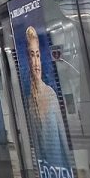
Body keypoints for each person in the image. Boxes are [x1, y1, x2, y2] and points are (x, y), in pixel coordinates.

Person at [21, 26, 67, 168]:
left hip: (60, 171)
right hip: (45, 171)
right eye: (31, 56)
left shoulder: (50, 94)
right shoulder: (30, 101)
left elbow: (63, 140)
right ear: (27, 60)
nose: (36, 63)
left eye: (38, 55)